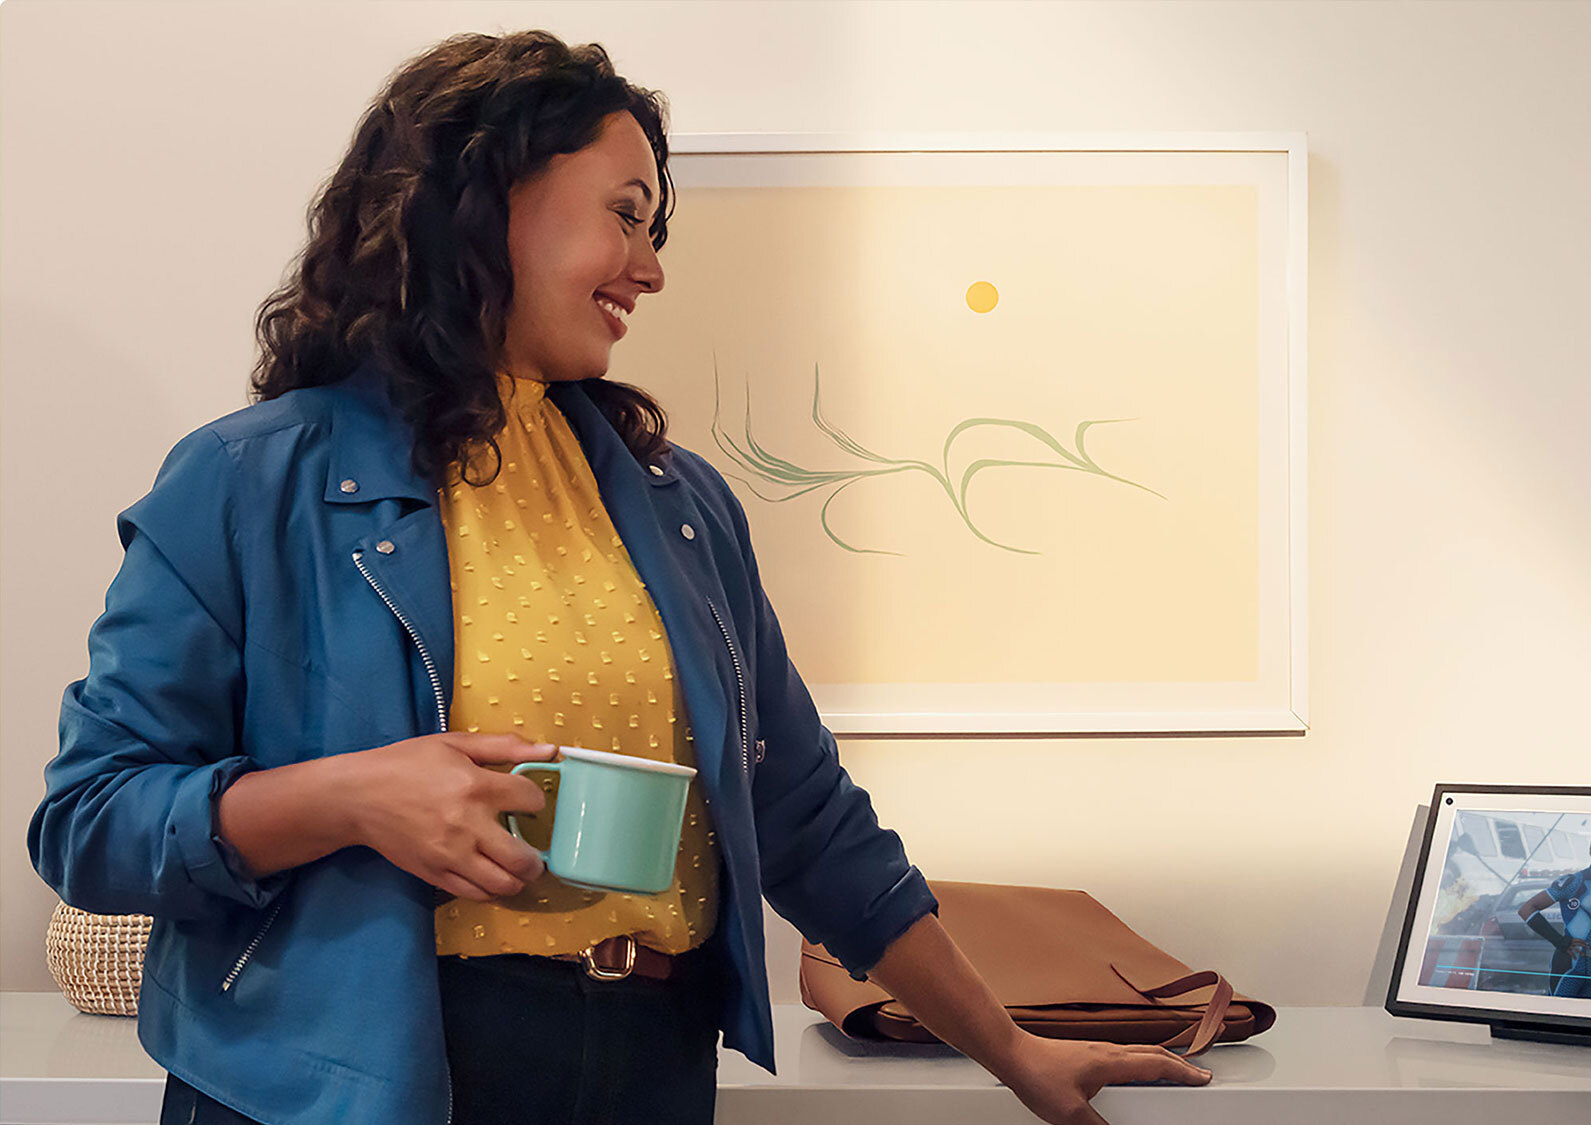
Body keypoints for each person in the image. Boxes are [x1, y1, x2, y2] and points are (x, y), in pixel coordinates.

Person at [26, 31, 1209, 1125]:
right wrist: (351, 797)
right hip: (348, 1080)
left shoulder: (677, 502)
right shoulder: (247, 481)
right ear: (488, 203)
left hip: (647, 1063)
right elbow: (89, 821)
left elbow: (807, 822)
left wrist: (1012, 1051)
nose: (647, 267)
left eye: (654, 230)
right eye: (626, 216)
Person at [1515, 832, 1591, 1000]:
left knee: (1590, 1021)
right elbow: (1527, 909)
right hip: (1571, 964)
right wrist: (1559, 941)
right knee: (1557, 1019)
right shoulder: (1574, 882)